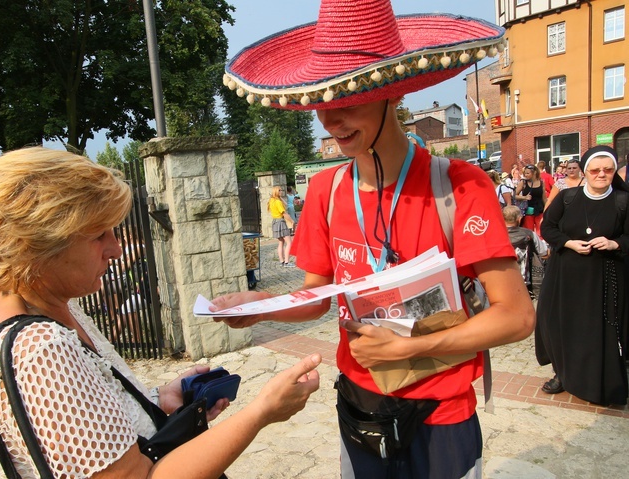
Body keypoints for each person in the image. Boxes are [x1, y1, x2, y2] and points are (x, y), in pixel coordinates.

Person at [215, 1, 535, 476]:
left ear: (393, 95)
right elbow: (316, 296)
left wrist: (407, 348)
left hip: (442, 410)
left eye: (347, 101)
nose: (330, 121)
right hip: (361, 402)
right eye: (321, 103)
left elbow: (517, 316)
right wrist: (262, 304)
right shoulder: (325, 191)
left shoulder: (461, 184)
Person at [0, 147, 322, 479]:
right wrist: (261, 413)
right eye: (99, 234)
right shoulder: (38, 350)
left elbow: (95, 419)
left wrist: (157, 400)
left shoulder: (52, 310)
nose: (115, 249)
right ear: (34, 245)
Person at [535, 145, 629, 406]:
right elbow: (548, 228)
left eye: (608, 170)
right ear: (585, 172)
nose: (602, 174)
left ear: (614, 171)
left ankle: (598, 381)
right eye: (595, 170)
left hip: (605, 278)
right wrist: (568, 243)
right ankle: (562, 373)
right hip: (565, 276)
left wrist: (615, 244)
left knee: (597, 329)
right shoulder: (568, 198)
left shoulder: (623, 201)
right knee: (561, 323)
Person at [502, 206, 549, 298]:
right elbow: (544, 253)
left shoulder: (496, 235)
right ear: (519, 219)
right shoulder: (529, 234)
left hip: (501, 281)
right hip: (524, 282)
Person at [515, 164, 547, 237]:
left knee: (541, 231)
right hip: (528, 210)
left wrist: (547, 210)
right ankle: (530, 246)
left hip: (539, 209)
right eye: (525, 173)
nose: (525, 175)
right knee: (529, 232)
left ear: (534, 172)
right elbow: (514, 195)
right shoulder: (523, 182)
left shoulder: (541, 183)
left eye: (527, 173)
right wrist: (524, 197)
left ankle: (541, 246)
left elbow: (544, 198)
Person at [268, 186, 295, 267]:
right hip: (280, 222)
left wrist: (280, 197)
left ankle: (282, 261)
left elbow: (286, 205)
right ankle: (286, 262)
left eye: (281, 190)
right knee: (289, 242)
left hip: (275, 222)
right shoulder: (277, 202)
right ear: (276, 191)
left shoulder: (272, 200)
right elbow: (284, 213)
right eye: (279, 190)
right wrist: (292, 221)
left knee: (281, 242)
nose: (281, 191)